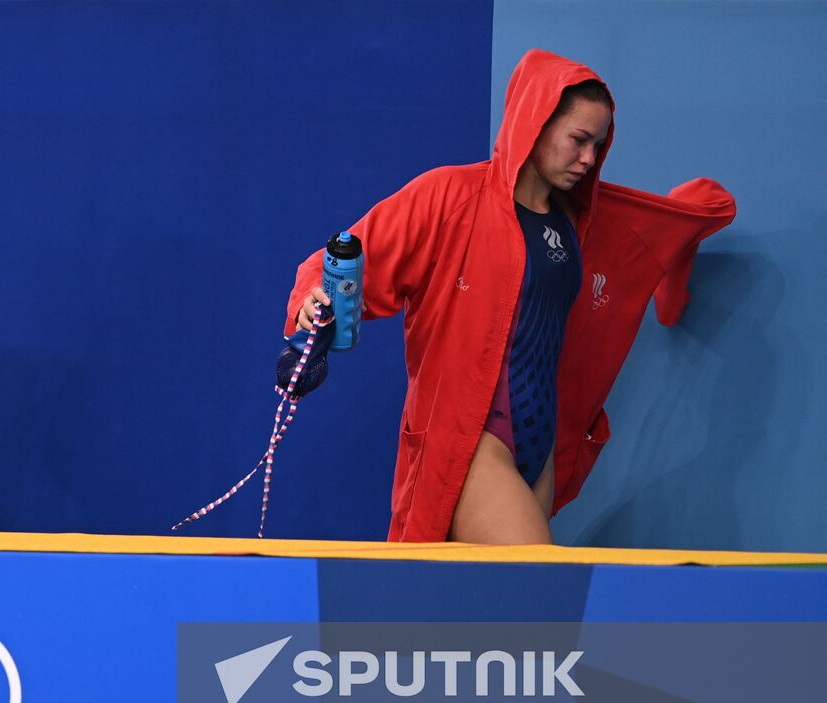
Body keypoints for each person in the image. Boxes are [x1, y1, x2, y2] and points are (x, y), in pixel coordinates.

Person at [285, 49, 735, 544]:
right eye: (578, 140)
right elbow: (346, 262)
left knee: (481, 613)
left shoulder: (584, 220)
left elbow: (677, 221)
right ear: (536, 123)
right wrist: (312, 305)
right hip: (472, 440)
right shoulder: (450, 197)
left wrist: (682, 260)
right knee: (537, 593)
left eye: (598, 146)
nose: (589, 159)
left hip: (539, 444)